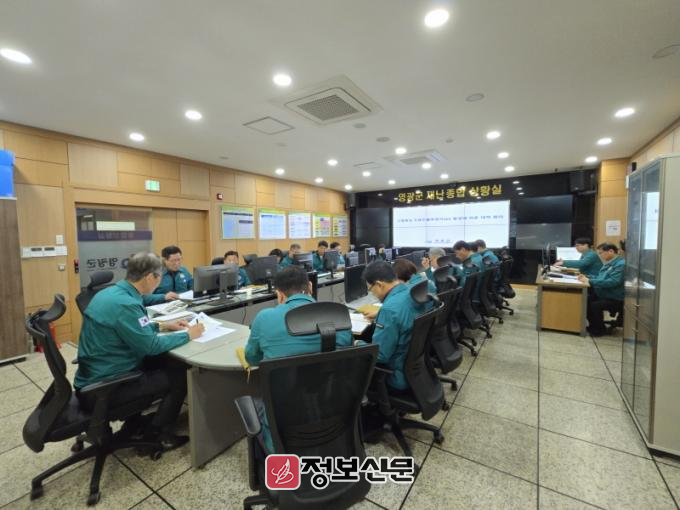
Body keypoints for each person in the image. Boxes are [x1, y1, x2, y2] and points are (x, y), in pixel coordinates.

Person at [74, 252, 205, 448]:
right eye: (159, 277)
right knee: (180, 375)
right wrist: (188, 335)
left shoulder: (110, 294)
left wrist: (162, 326)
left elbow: (131, 327)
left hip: (95, 375)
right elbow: (151, 346)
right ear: (150, 277)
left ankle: (134, 423)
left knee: (167, 361)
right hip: (108, 386)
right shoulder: (126, 304)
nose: (159, 282)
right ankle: (157, 434)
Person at [244, 266, 354, 451]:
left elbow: (252, 359)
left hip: (283, 432)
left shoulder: (264, 318)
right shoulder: (338, 315)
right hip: (335, 419)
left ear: (279, 294)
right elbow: (347, 352)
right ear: (310, 286)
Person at [361, 261, 428, 391]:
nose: (372, 294)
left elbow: (380, 355)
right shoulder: (411, 292)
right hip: (417, 370)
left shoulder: (389, 310)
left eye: (370, 289)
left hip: (396, 376)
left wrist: (357, 343)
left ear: (379, 285)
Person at [579, 243, 624, 337]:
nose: (600, 256)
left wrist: (589, 281)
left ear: (611, 251)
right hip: (604, 293)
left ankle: (599, 330)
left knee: (595, 305)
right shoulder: (610, 263)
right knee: (585, 300)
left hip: (614, 297)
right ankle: (593, 326)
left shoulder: (621, 265)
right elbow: (601, 277)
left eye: (601, 253)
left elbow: (612, 282)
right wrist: (587, 277)